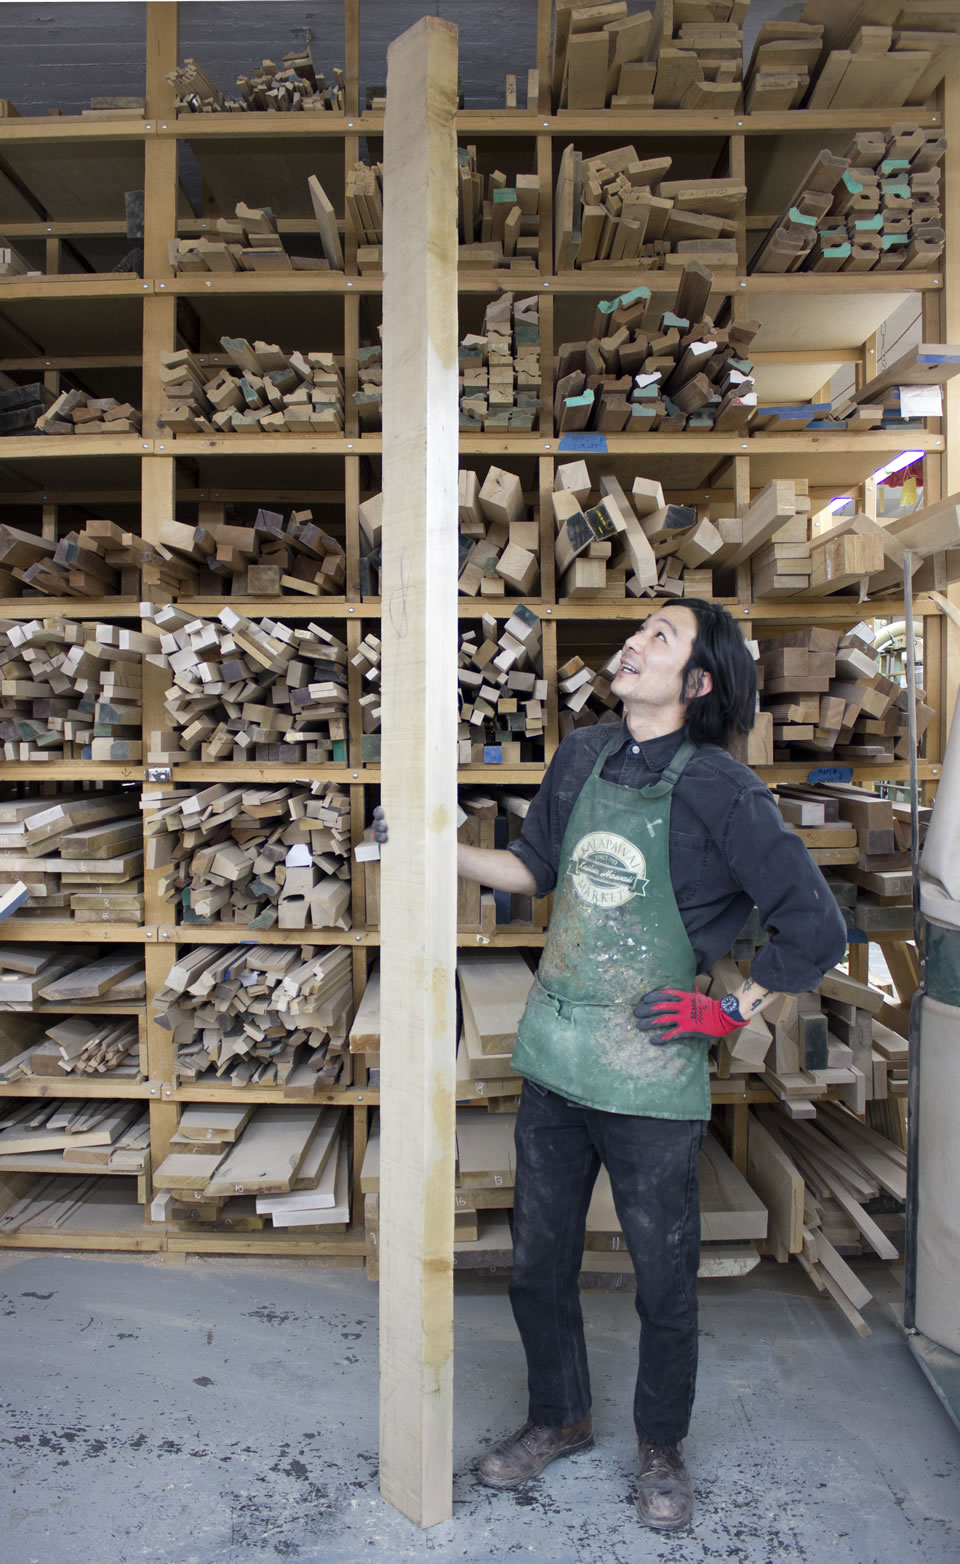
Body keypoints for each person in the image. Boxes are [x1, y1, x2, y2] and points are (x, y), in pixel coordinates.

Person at [374, 598, 847, 1532]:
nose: (634, 643)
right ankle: (559, 1417)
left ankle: (661, 1445)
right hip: (556, 1055)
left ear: (698, 683)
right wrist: (439, 850)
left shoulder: (723, 789)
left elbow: (817, 927)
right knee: (537, 1265)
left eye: (659, 638)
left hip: (648, 1074)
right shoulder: (584, 754)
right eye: (640, 629)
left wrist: (728, 1009)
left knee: (663, 1276)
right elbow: (535, 870)